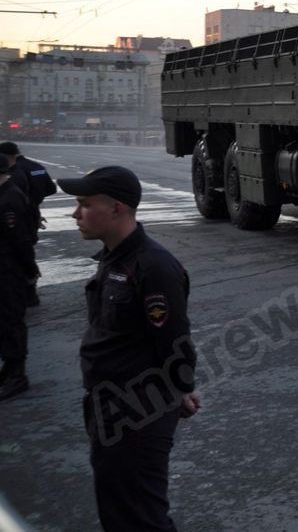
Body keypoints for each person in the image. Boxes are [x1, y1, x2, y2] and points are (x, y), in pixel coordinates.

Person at [62, 165, 201, 532]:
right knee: (118, 510)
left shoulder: (153, 267)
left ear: (117, 209)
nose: (75, 214)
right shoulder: (114, 259)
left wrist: (177, 389)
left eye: (84, 204)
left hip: (135, 411)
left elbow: (175, 342)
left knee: (139, 517)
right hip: (109, 404)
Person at [0, 142, 57, 306]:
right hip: (31, 214)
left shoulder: (13, 172)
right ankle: (30, 292)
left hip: (19, 214)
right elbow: (51, 189)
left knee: (18, 249)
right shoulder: (35, 166)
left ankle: (27, 290)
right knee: (25, 247)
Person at [0, 158, 36, 400]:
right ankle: (9, 367)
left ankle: (18, 374)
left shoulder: (10, 198)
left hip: (9, 268)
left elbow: (20, 238)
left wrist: (30, 269)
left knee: (11, 319)